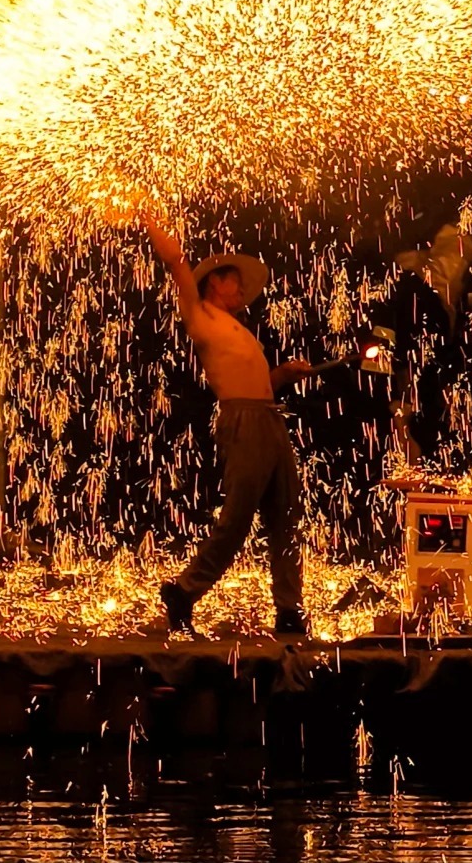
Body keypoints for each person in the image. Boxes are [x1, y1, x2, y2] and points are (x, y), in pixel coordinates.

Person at [140, 209, 313, 635]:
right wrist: (146, 216)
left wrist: (284, 374)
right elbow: (177, 262)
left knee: (286, 517)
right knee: (237, 518)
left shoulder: (238, 329)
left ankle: (289, 608)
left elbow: (262, 383)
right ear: (215, 283)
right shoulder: (200, 317)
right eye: (235, 280)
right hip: (243, 421)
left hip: (269, 418)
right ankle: (185, 590)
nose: (242, 289)